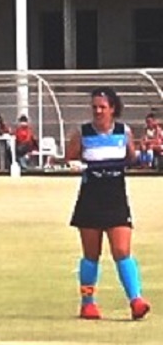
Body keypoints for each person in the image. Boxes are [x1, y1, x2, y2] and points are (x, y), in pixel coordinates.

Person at [64, 87, 150, 321]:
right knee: (91, 254)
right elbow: (69, 158)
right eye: (94, 107)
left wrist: (141, 157)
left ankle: (136, 300)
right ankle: (88, 303)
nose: (98, 111)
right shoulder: (82, 133)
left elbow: (131, 158)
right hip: (91, 197)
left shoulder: (124, 132)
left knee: (122, 251)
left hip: (116, 197)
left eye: (102, 107)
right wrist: (75, 165)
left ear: (113, 108)